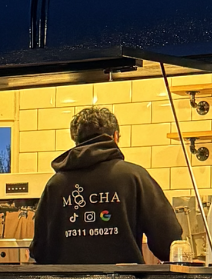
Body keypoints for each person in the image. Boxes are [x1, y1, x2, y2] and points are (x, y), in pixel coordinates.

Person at [30, 106, 182, 264]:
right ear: (115, 137)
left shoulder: (55, 186)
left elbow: (40, 250)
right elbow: (168, 244)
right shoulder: (134, 177)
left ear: (76, 140)